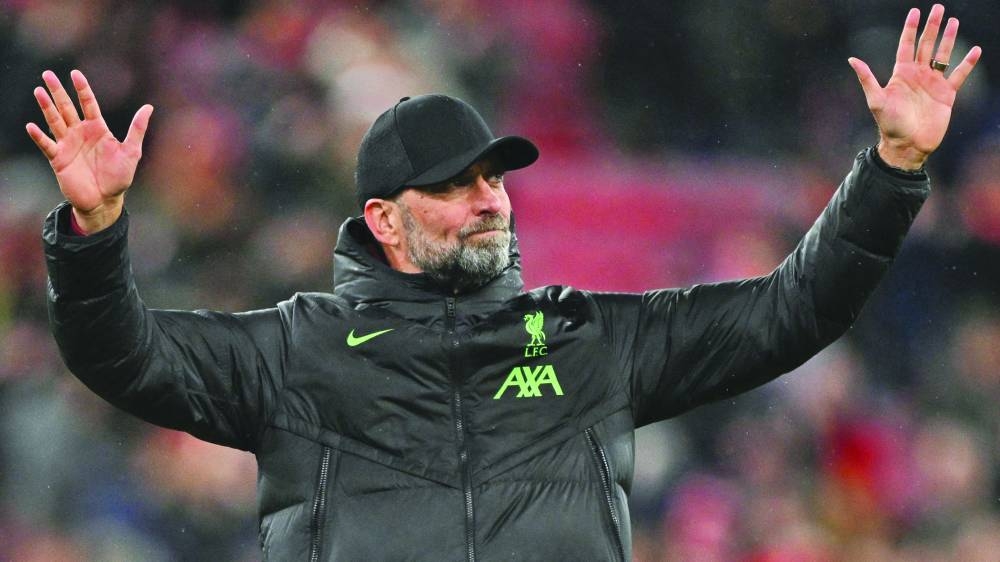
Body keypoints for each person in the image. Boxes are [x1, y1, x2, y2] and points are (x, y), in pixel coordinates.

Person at [28, 5, 980, 561]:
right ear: (383, 222)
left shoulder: (589, 341)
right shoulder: (295, 351)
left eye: (494, 177)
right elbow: (123, 354)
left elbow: (790, 310)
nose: (489, 199)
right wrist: (96, 231)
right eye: (453, 184)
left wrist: (892, 168)